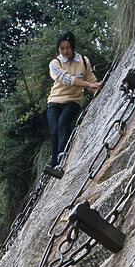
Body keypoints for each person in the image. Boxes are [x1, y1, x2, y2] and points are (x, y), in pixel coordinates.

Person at [45, 30, 104, 178]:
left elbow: (90, 80)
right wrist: (88, 84)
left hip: (73, 101)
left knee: (63, 123)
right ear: (58, 49)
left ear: (73, 47)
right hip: (55, 101)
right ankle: (54, 161)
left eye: (68, 48)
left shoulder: (83, 61)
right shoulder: (55, 63)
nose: (65, 51)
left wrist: (97, 86)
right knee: (54, 129)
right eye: (62, 48)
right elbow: (67, 79)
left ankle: (61, 156)